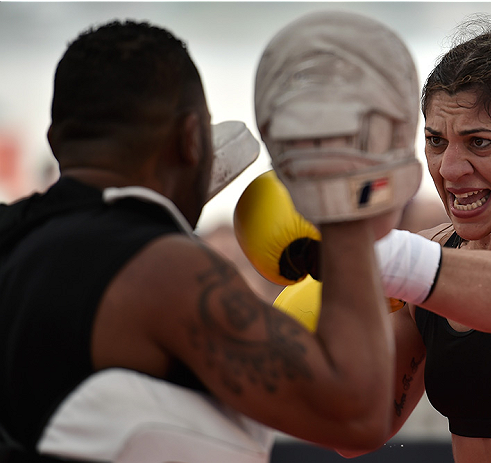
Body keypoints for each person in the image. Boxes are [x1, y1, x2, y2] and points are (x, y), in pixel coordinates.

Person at [0, 17, 403, 463]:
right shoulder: (163, 270)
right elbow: (355, 413)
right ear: (193, 139)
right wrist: (339, 198)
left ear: (57, 142)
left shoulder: (13, 237)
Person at [248, 13, 491, 462]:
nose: (450, 169)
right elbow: (356, 430)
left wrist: (357, 251)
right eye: (436, 141)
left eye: (479, 142)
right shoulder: (430, 260)